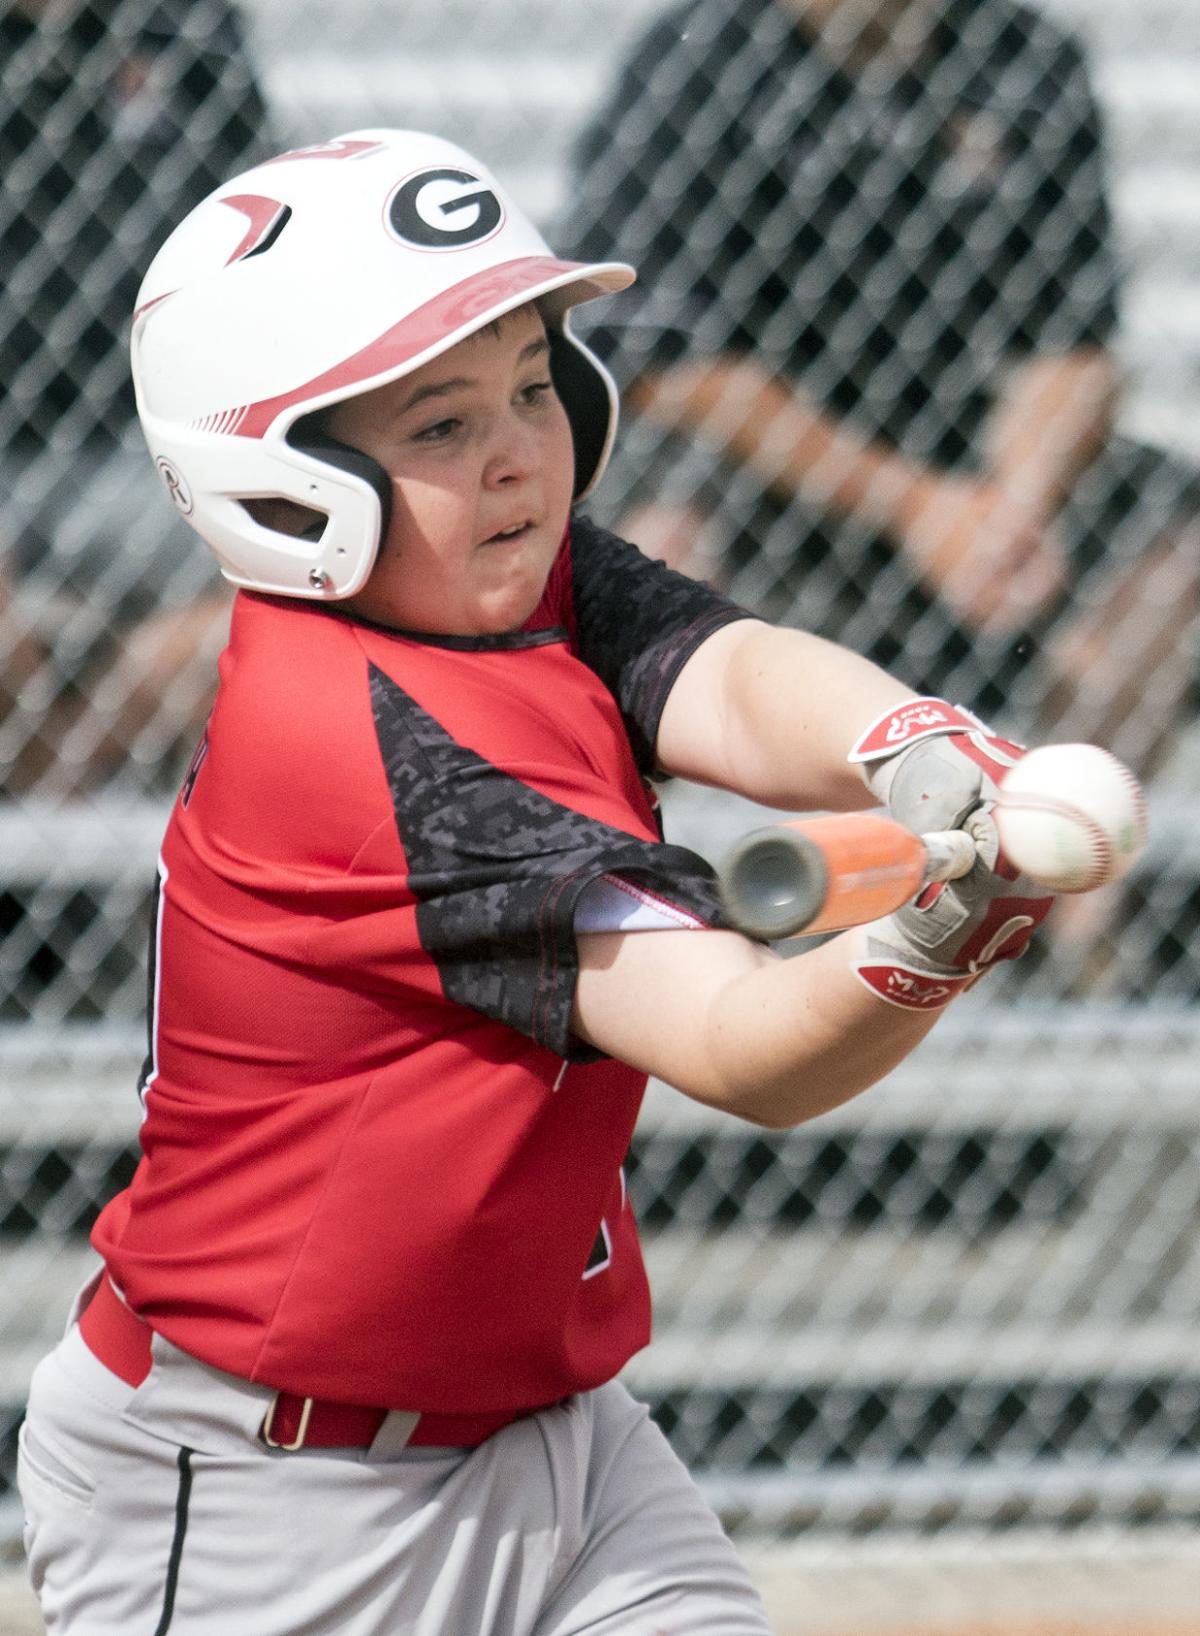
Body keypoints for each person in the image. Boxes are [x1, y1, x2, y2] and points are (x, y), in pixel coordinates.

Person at [17, 127, 1055, 1635]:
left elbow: (725, 674)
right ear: (282, 481)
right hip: (272, 1496)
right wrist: (944, 931)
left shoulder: (504, 576)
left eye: (528, 385)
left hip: (556, 1442)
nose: (516, 450)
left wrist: (915, 741)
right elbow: (742, 1046)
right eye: (439, 423)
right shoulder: (363, 750)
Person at [558, 0, 1200, 779]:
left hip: (971, 456)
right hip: (763, 468)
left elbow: (1074, 347)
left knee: (1179, 549)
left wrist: (1014, 511)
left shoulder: (1022, 58)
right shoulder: (700, 59)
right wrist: (916, 507)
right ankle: (640, 857)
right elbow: (661, 364)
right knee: (650, 542)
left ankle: (1054, 852)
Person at [0, 0, 272, 795]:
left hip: (145, 450)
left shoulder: (182, 21)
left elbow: (260, 249)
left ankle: (64, 767)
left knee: (292, 589)